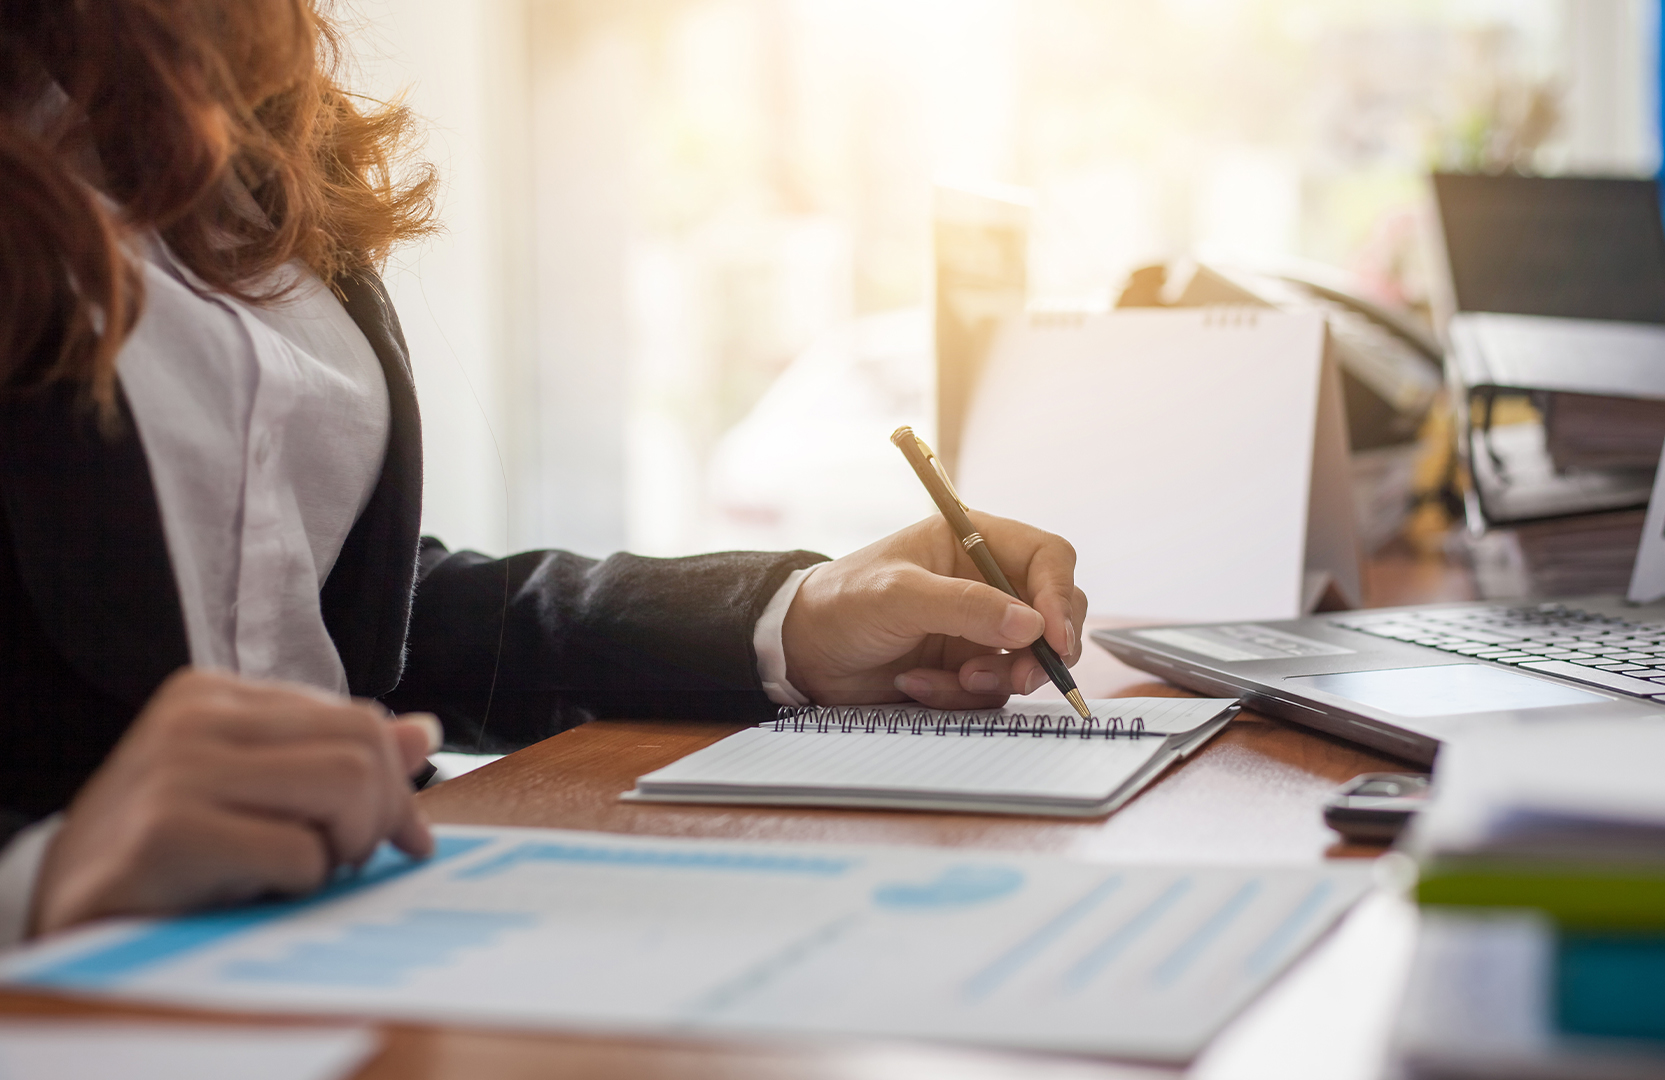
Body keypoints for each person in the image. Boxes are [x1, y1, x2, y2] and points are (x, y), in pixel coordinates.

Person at [0, 1, 1085, 943]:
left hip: (371, 921)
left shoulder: (237, 110)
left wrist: (793, 618)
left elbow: (356, 616)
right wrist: (37, 878)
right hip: (84, 993)